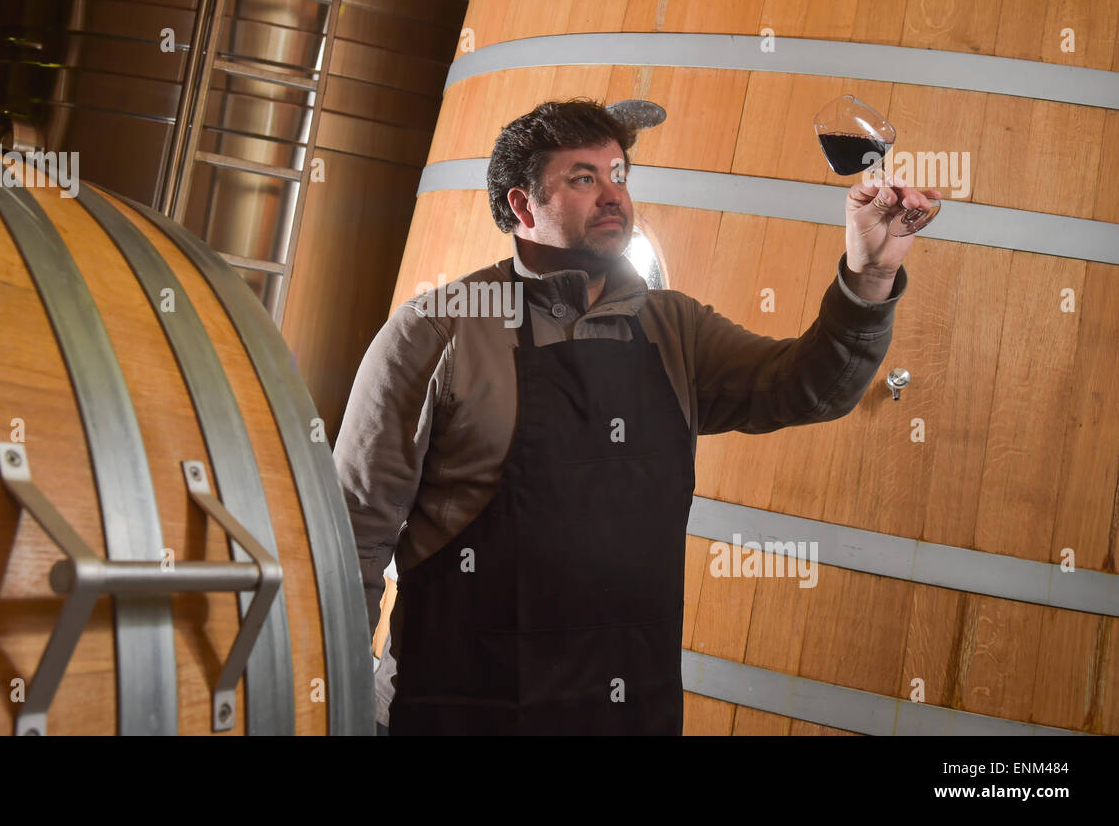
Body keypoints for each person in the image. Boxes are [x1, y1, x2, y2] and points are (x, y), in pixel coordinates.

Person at [334, 98, 935, 736]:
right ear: (521, 206)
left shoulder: (674, 325)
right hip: (455, 714)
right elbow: (351, 539)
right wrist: (329, 705)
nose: (613, 195)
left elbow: (809, 389)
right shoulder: (436, 332)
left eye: (618, 175)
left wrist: (870, 275)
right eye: (583, 178)